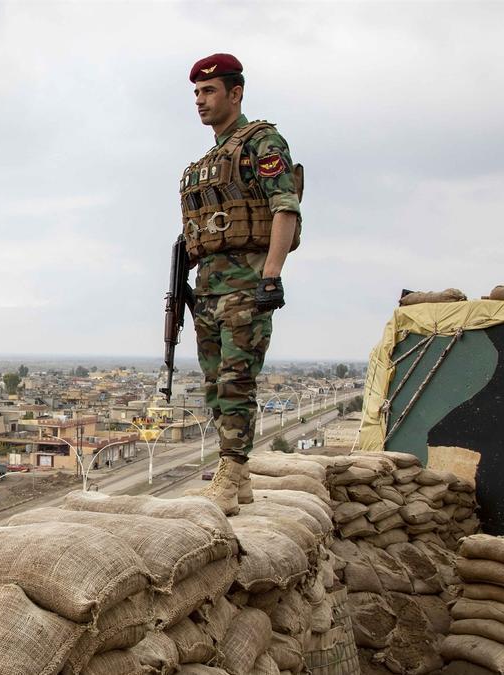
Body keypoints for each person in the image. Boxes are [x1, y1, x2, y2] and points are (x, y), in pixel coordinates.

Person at [180, 53, 302, 515]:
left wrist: (271, 274)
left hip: (245, 283)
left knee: (236, 381)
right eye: (196, 93)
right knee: (215, 384)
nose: (200, 100)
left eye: (209, 91)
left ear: (236, 93)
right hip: (208, 288)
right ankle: (241, 481)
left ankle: (229, 476)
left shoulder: (261, 142)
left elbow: (285, 207)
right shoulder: (207, 161)